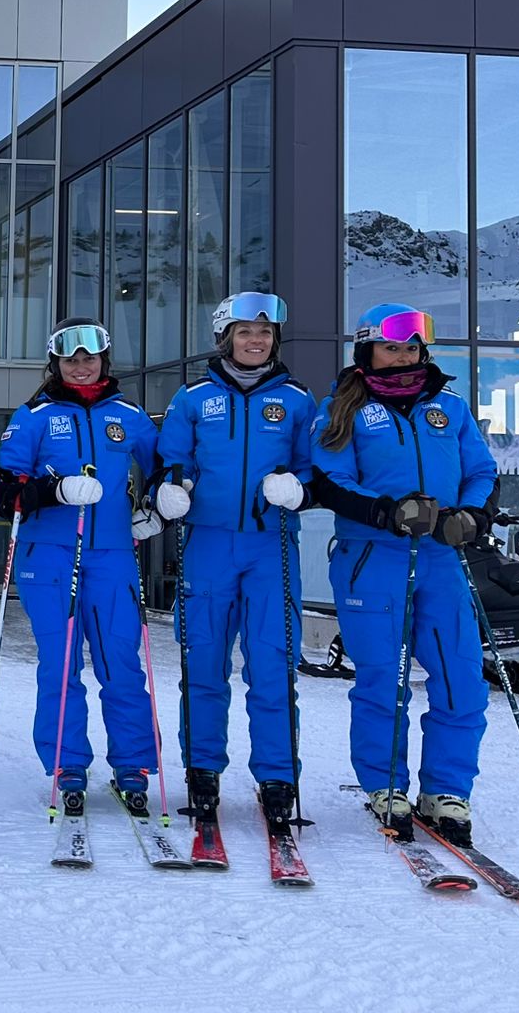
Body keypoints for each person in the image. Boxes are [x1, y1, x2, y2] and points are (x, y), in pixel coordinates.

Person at [311, 304, 496, 843]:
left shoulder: (450, 408)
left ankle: (447, 790)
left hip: (441, 558)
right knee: (383, 680)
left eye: (411, 347)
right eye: (391, 347)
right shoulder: (342, 409)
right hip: (373, 559)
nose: (403, 356)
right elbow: (329, 479)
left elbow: (482, 471)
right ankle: (385, 783)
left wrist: (472, 515)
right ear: (367, 350)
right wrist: (387, 511)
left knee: (461, 678)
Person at [149, 292, 317, 832]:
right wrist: (169, 490)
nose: (256, 341)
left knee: (272, 665)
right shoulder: (193, 398)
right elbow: (170, 461)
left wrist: (299, 488)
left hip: (272, 547)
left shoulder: (296, 400)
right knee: (203, 663)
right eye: (245, 332)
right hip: (208, 545)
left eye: (265, 333)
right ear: (225, 339)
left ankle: (277, 777)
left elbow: (316, 467)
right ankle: (202, 771)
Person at [0, 317, 160, 816]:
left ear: (104, 360)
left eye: (89, 357)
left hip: (113, 554)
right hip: (48, 555)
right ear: (56, 363)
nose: (81, 366)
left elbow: (165, 467)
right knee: (60, 664)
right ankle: (68, 762)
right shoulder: (34, 416)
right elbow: (6, 491)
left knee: (120, 662)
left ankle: (132, 763)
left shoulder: (128, 415)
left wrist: (158, 506)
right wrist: (55, 490)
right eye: (70, 359)